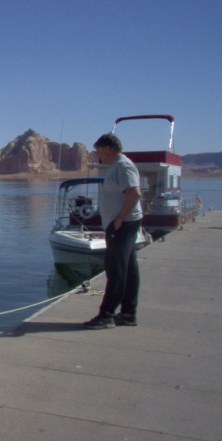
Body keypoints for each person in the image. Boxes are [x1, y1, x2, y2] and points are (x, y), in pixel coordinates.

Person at [84, 133, 143, 329]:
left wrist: (119, 218)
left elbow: (134, 193)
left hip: (122, 225)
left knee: (116, 270)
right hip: (123, 224)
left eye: (99, 151)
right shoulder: (116, 166)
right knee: (129, 269)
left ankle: (106, 315)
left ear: (108, 148)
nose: (98, 156)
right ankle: (128, 313)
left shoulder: (123, 166)